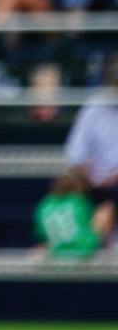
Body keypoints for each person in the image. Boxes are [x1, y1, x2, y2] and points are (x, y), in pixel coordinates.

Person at [62, 67, 118, 247]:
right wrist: (91, 175)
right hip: (96, 186)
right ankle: (87, 249)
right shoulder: (94, 107)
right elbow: (75, 155)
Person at [36, 174, 104, 259]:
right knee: (105, 210)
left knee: (38, 249)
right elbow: (89, 220)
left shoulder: (44, 205)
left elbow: (42, 235)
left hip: (57, 254)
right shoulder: (78, 201)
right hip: (84, 252)